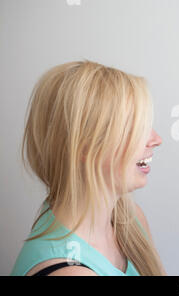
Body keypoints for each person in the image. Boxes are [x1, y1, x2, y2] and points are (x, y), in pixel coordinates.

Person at [10, 60, 166, 276]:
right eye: (135, 128)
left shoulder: (129, 220)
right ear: (85, 147)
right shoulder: (70, 273)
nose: (156, 139)